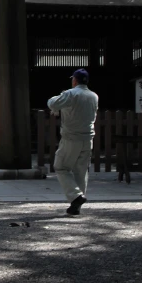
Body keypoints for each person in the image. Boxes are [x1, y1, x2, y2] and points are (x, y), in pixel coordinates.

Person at [47, 68, 99, 215]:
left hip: (71, 138)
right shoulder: (94, 96)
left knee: (61, 166)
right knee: (81, 171)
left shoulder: (71, 94)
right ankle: (76, 206)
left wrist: (61, 95)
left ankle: (75, 196)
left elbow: (53, 104)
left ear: (74, 80)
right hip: (88, 138)